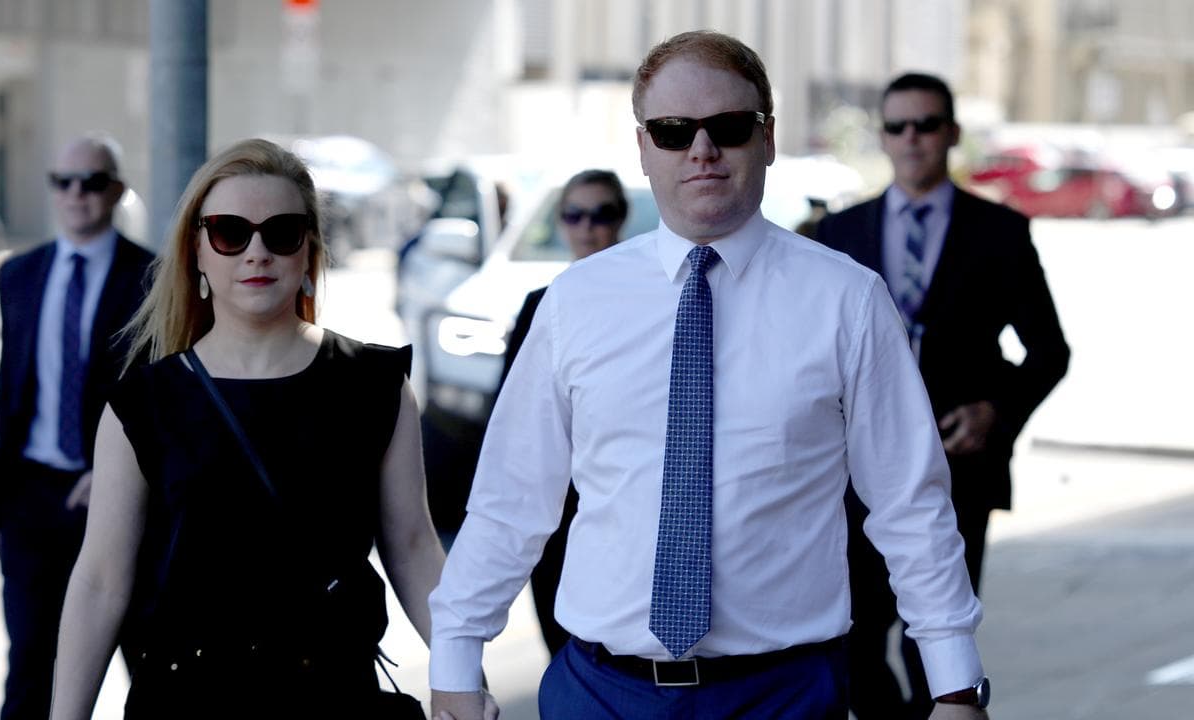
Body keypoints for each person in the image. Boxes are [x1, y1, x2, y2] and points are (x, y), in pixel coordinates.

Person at [429, 31, 990, 720]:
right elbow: (511, 498)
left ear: (768, 137)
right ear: (642, 147)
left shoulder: (847, 300)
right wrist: (455, 657)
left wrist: (955, 686)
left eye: (727, 127)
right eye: (672, 131)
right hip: (599, 694)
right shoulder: (574, 302)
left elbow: (910, 503)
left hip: (785, 696)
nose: (702, 150)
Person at [47, 138, 478, 718]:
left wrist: (464, 678)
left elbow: (412, 545)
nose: (257, 252)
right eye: (230, 232)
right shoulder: (143, 402)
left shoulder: (373, 384)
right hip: (187, 700)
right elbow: (100, 579)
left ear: (309, 253)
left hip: (334, 696)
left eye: (281, 233)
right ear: (197, 250)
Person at [815, 72, 1070, 719]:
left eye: (926, 125)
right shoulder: (837, 234)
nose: (912, 139)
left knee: (933, 641)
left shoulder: (1001, 232)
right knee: (853, 637)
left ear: (951, 134)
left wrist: (997, 411)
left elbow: (1049, 350)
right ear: (883, 136)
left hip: (958, 471)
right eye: (898, 126)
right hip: (850, 479)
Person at [0, 132, 153, 720]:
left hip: (119, 498)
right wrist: (2, 497)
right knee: (31, 664)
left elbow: (161, 396)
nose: (77, 194)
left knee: (147, 665)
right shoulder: (19, 274)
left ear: (116, 191)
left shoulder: (153, 278)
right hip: (31, 494)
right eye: (64, 182)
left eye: (93, 182)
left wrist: (115, 469)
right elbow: (11, 387)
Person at [498, 169, 630, 658]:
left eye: (602, 214)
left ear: (621, 219)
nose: (588, 227)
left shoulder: (651, 299)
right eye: (575, 214)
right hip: (555, 514)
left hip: (618, 507)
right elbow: (513, 423)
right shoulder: (540, 306)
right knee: (565, 659)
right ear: (561, 222)